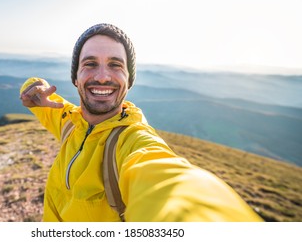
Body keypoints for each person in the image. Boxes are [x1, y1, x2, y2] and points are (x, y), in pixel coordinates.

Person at [20, 23, 263, 222]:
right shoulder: (70, 121)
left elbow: (170, 186)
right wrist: (32, 89)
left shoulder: (132, 142)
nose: (103, 76)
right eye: (90, 64)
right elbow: (39, 96)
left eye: (116, 65)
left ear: (129, 80)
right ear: (76, 77)